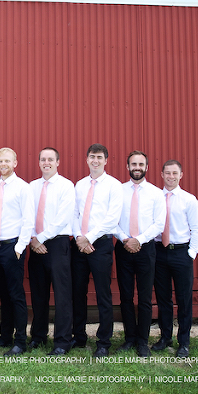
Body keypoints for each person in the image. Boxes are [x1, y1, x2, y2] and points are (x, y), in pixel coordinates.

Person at [72, 143, 123, 358]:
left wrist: (89, 238)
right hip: (79, 246)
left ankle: (103, 342)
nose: (95, 160)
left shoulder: (114, 185)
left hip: (100, 244)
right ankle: (79, 336)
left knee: (103, 293)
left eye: (99, 157)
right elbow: (73, 214)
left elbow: (113, 217)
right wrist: (79, 238)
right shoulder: (80, 185)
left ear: (106, 160)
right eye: (92, 156)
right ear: (87, 159)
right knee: (78, 292)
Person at [113, 150, 166, 357]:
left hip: (146, 249)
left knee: (144, 297)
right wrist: (125, 239)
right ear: (127, 167)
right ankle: (129, 338)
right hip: (123, 247)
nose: (137, 167)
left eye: (140, 164)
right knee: (125, 296)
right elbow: (112, 219)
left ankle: (143, 341)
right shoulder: (119, 190)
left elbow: (159, 224)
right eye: (133, 164)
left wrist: (139, 240)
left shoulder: (155, 193)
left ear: (146, 167)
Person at [152, 159, 198, 358]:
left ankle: (184, 342)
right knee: (163, 299)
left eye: (175, 173)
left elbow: (197, 229)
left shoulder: (189, 200)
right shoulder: (156, 197)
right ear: (162, 174)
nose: (171, 177)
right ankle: (165, 338)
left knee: (183, 300)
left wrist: (191, 253)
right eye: (167, 173)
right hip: (159, 252)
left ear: (181, 175)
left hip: (181, 253)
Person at [27, 147, 75, 355]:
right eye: (43, 159)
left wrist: (40, 238)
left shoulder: (66, 186)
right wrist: (32, 239)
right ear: (39, 163)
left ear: (57, 162)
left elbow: (63, 218)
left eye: (50, 159)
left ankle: (63, 341)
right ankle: (38, 336)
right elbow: (27, 215)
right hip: (35, 244)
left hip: (57, 243)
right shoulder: (32, 186)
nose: (46, 162)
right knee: (38, 293)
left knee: (62, 295)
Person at [0, 147, 34, 356]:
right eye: (0, 161)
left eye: (7, 161)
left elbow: (28, 219)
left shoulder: (23, 188)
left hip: (12, 247)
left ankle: (20, 341)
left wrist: (19, 247)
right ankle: (5, 337)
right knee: (3, 295)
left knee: (16, 296)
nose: (3, 164)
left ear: (15, 163)